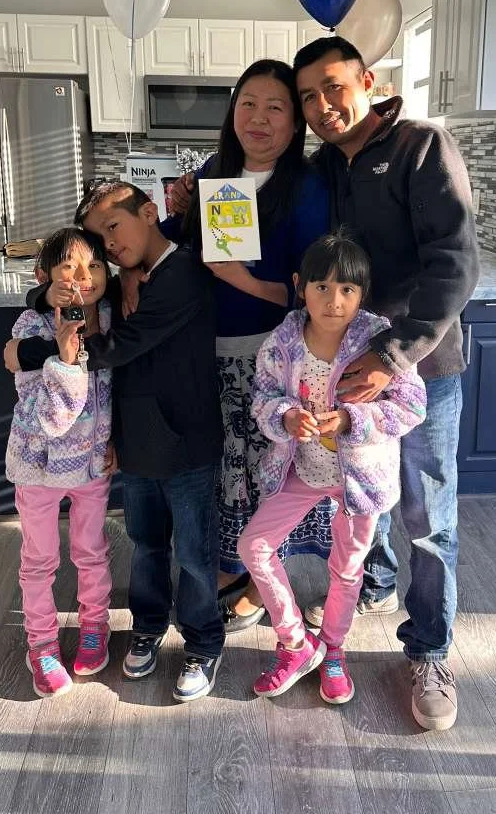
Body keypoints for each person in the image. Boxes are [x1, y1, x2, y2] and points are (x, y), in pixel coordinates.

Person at [293, 36, 480, 731]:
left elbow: (456, 264)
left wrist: (394, 354)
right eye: (308, 96)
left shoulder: (421, 147)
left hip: (421, 374)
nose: (321, 105)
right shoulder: (322, 170)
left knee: (428, 520)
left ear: (368, 80)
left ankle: (429, 649)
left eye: (332, 87)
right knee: (357, 497)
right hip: (345, 375)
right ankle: (371, 585)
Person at [4, 182, 225, 703]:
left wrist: (28, 353)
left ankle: (203, 641)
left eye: (113, 228)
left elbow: (119, 347)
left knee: (194, 553)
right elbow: (61, 294)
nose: (108, 245)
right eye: (99, 240)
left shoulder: (184, 272)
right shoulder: (120, 281)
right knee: (147, 544)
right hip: (133, 441)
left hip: (188, 442)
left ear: (149, 213)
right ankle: (147, 625)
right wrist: (49, 303)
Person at [159, 59, 332, 633]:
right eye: (248, 104)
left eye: (276, 107)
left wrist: (247, 282)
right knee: (231, 470)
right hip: (208, 351)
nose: (258, 118)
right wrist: (170, 216)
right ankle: (243, 567)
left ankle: (263, 581)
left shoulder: (307, 190)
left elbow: (316, 289)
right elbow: (176, 247)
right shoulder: (215, 173)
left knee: (272, 470)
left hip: (270, 358)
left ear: (295, 123)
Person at [238, 233, 426, 703]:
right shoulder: (282, 341)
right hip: (299, 471)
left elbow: (411, 407)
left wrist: (351, 419)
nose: (334, 300)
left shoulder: (379, 340)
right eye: (321, 287)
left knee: (347, 570)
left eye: (347, 290)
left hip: (357, 482)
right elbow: (261, 398)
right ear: (300, 286)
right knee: (255, 547)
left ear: (362, 293)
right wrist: (284, 416)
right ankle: (296, 645)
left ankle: (335, 650)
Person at [6, 227, 116, 699]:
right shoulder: (31, 330)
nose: (81, 277)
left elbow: (118, 391)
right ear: (44, 276)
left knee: (91, 551)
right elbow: (45, 417)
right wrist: (67, 360)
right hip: (38, 467)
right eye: (68, 266)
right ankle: (42, 643)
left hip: (93, 465)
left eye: (93, 266)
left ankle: (96, 627)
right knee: (39, 559)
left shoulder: (110, 321)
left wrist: (117, 440)